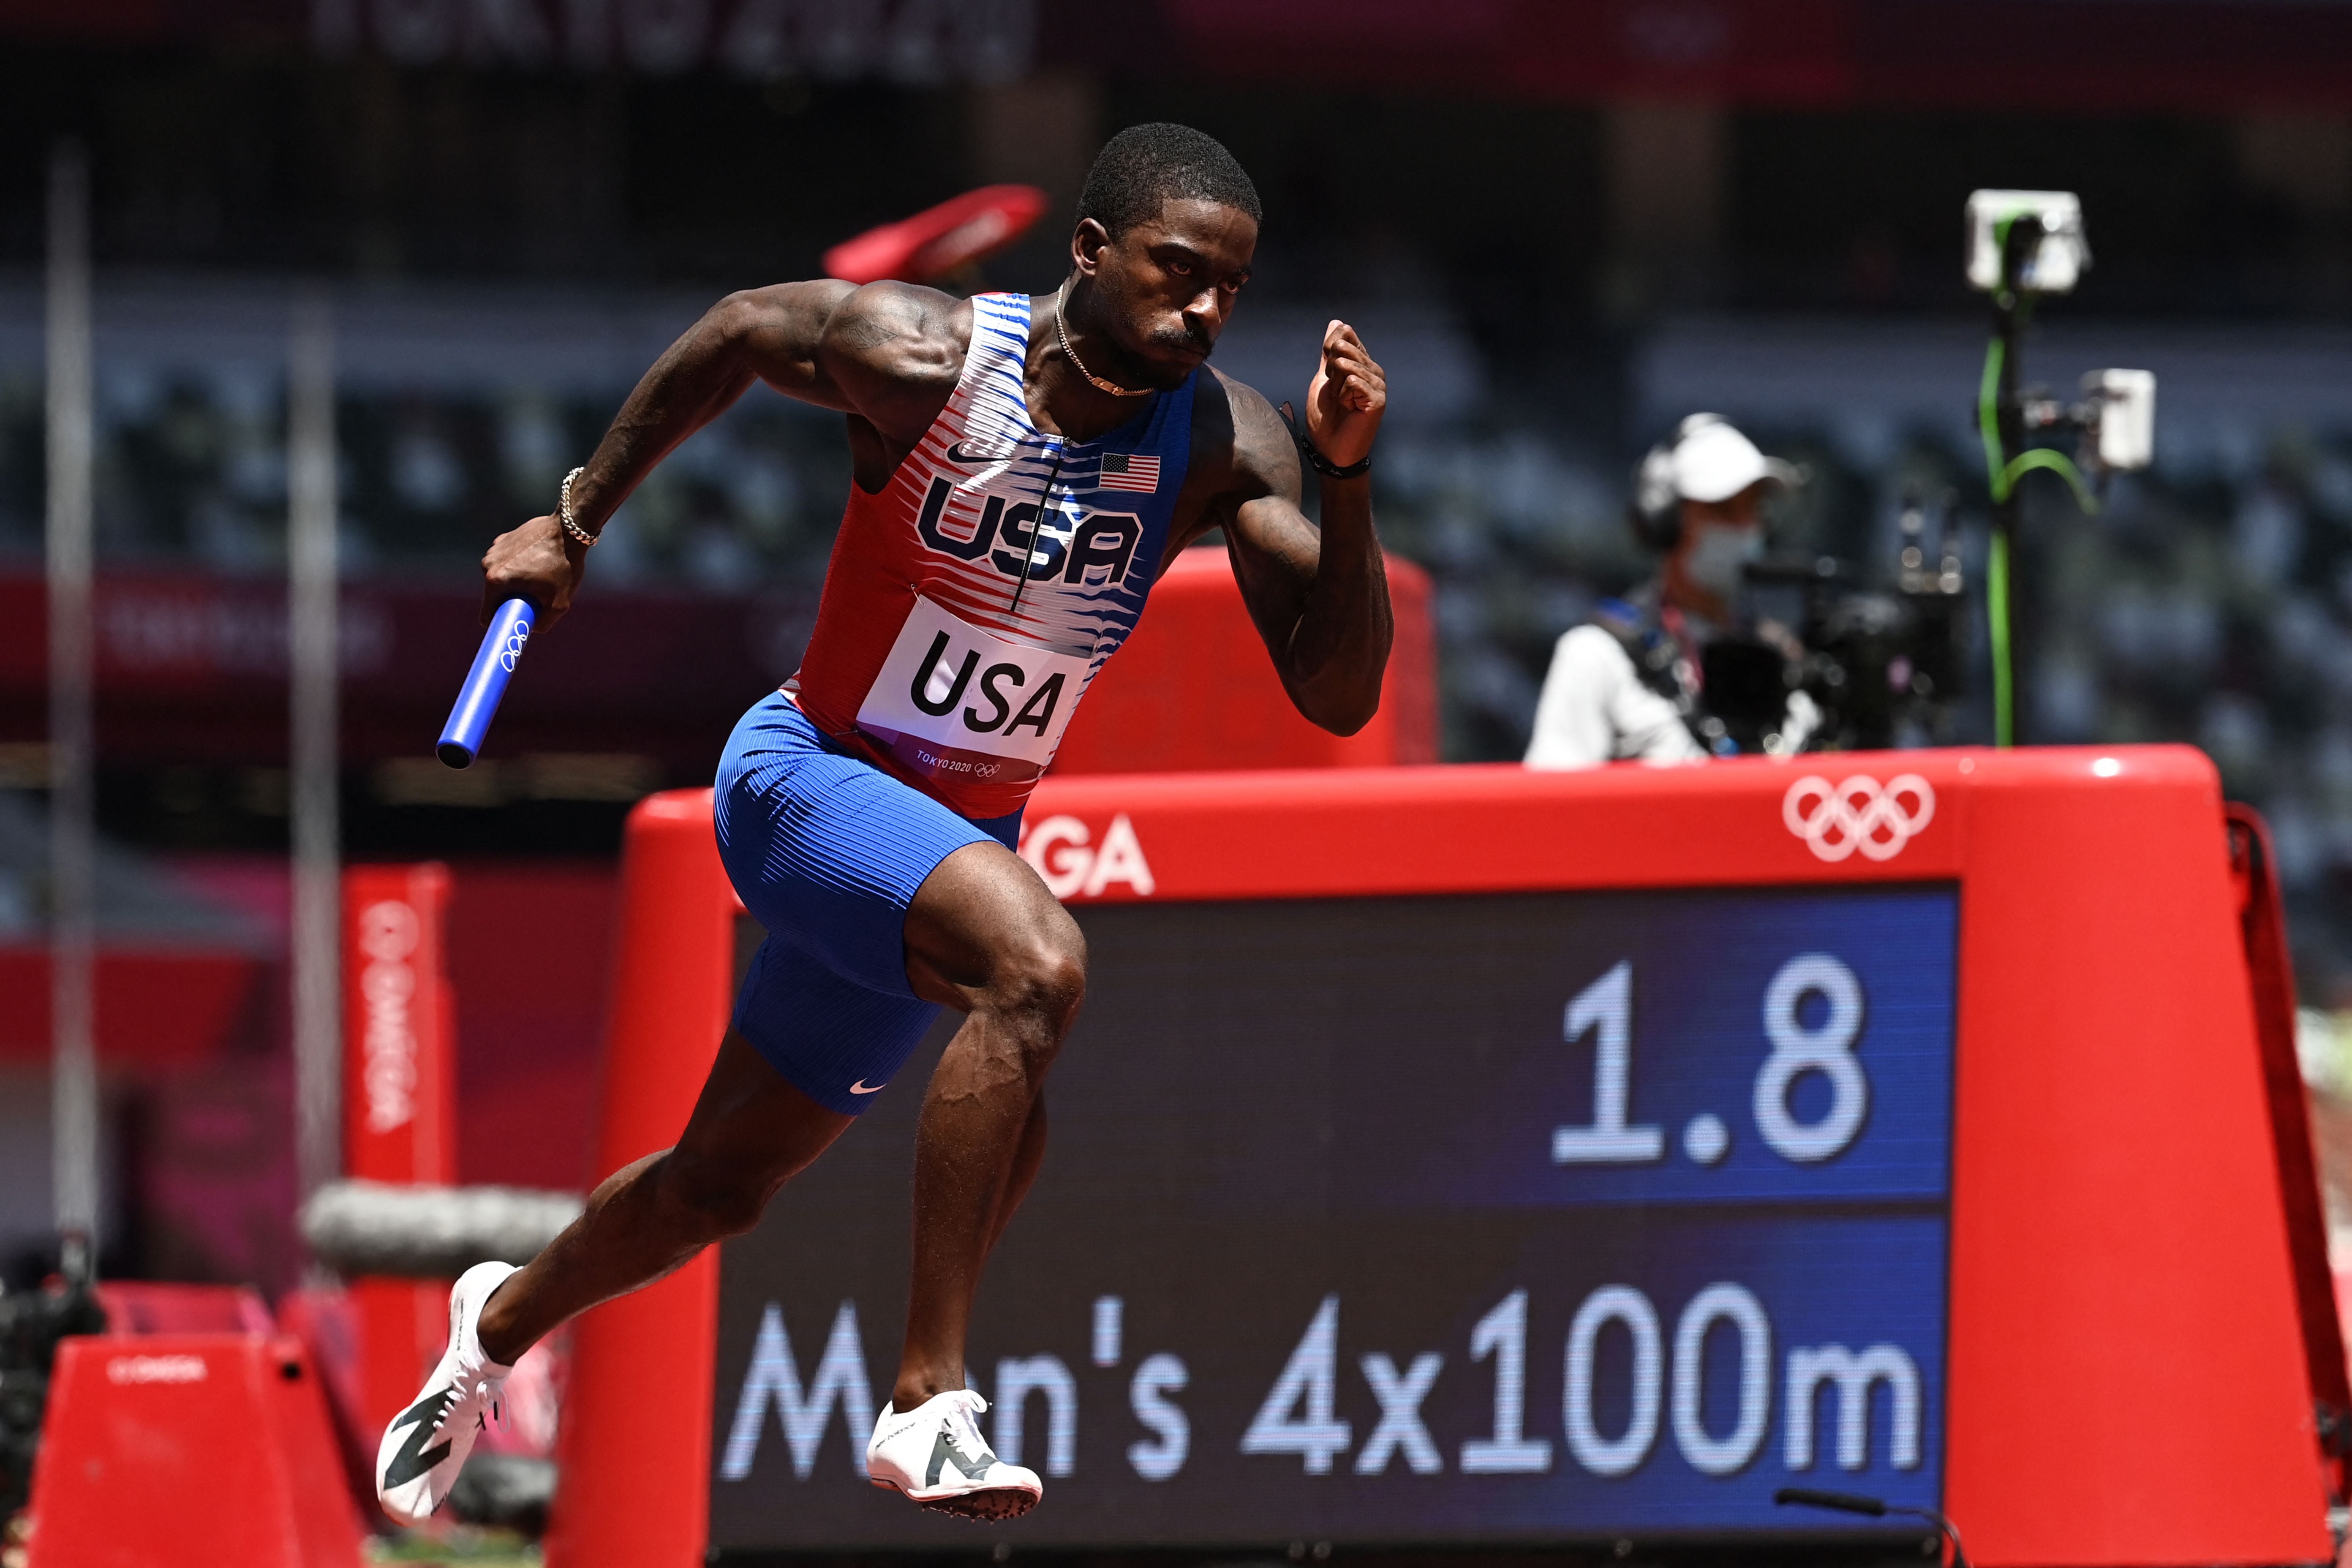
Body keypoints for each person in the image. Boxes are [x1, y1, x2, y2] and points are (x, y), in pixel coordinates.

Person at [374, 123, 1393, 1526]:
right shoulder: (922, 359)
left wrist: (1341, 480)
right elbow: (737, 330)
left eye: (1229, 288)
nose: (1203, 312)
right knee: (1036, 967)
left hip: (924, 858)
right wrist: (572, 522)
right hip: (804, 784)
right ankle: (927, 1401)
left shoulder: (1223, 438)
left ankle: (490, 1328)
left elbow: (1336, 695)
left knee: (717, 1189)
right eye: (1174, 273)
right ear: (1088, 252)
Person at [1523, 413, 1810, 768]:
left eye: (1753, 509)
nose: (1743, 528)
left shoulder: (1782, 659)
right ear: (1665, 523)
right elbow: (1549, 807)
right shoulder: (1595, 654)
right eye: (1721, 509)